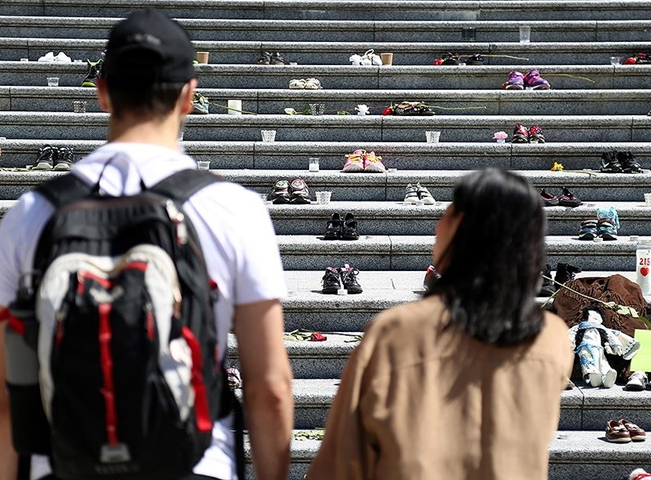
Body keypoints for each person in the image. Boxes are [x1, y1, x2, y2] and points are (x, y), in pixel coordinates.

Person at [0, 10, 293, 480]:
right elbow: (269, 387)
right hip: (196, 464)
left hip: (62, 464)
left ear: (102, 92)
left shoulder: (31, 214)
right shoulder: (234, 209)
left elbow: (7, 391)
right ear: (188, 97)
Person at [305, 168, 573, 480]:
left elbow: (343, 460)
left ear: (458, 229)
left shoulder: (397, 331)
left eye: (449, 212)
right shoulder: (552, 338)